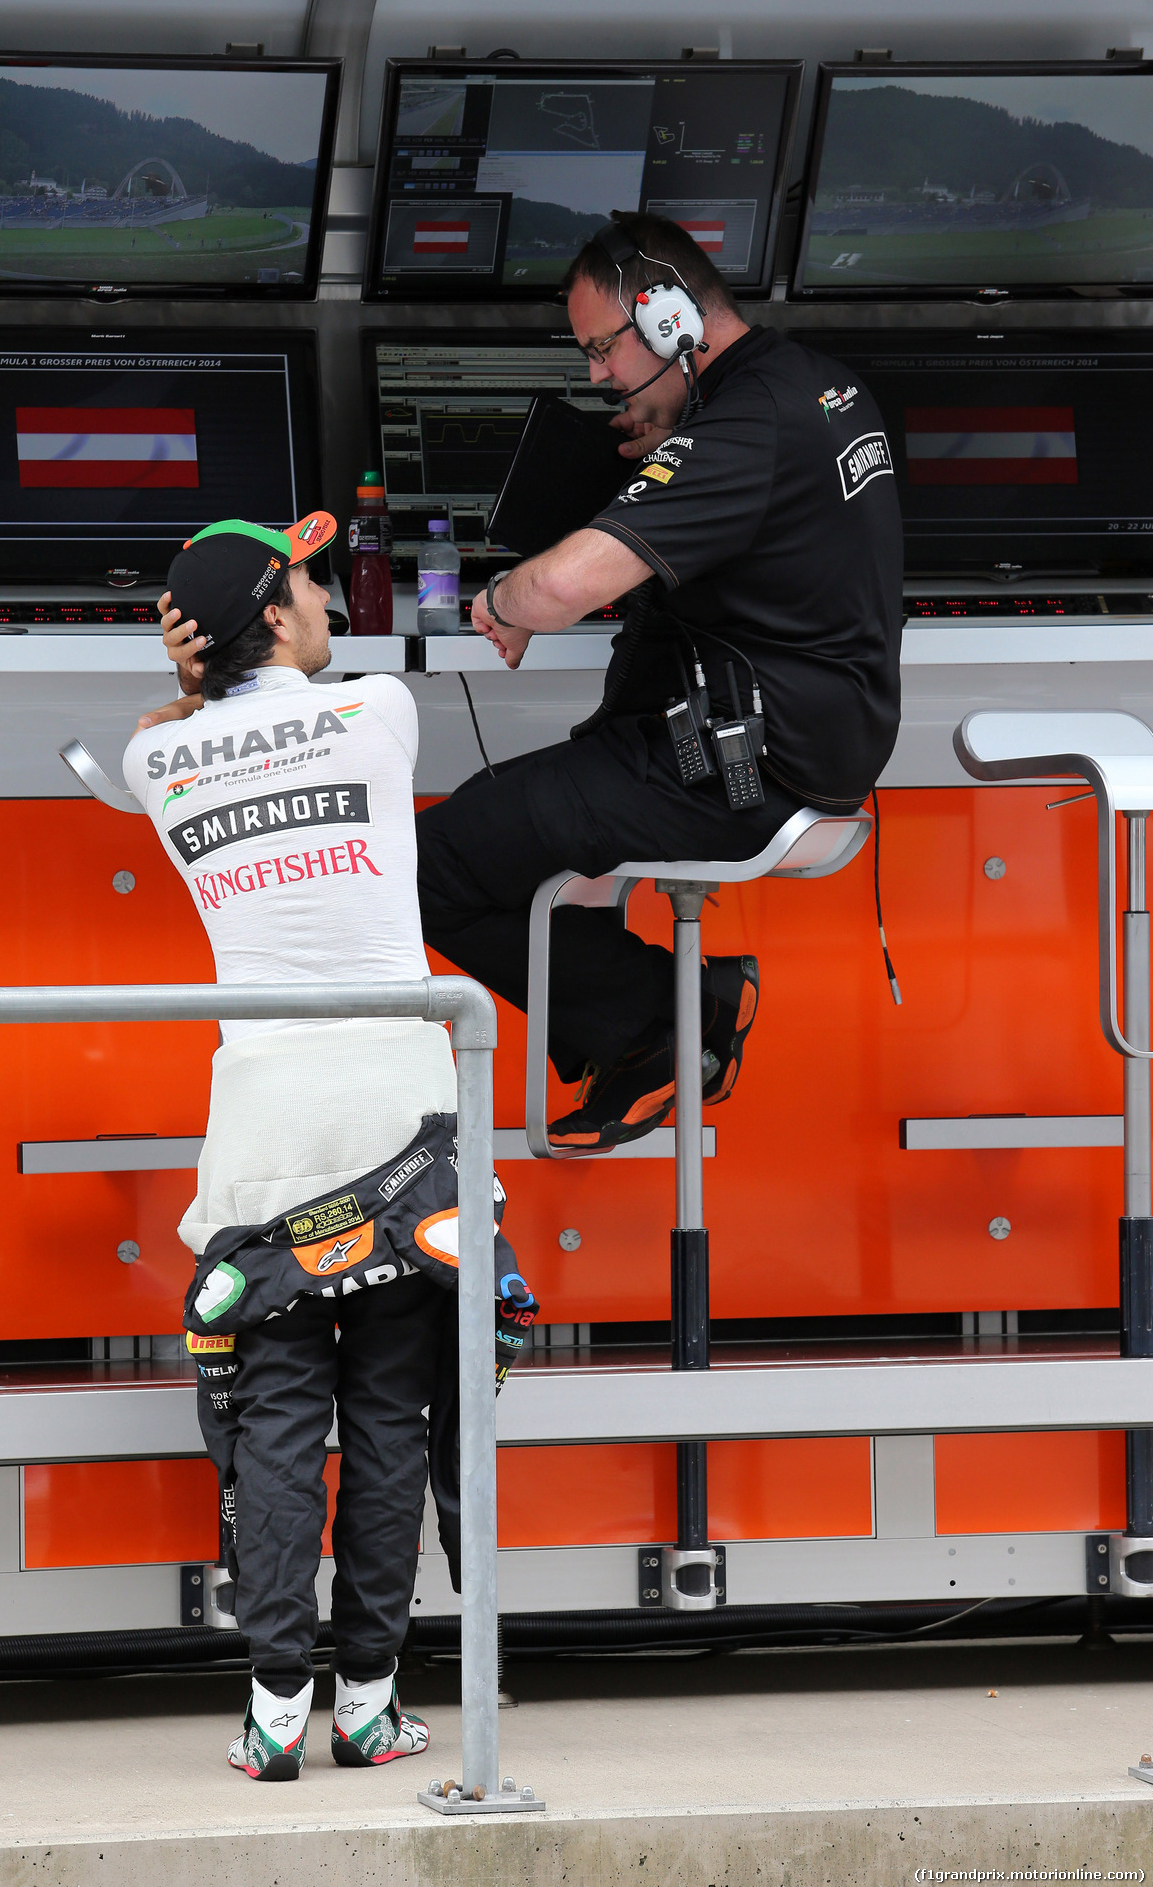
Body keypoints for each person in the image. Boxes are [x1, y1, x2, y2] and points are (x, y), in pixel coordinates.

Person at [414, 211, 904, 1149]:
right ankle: (651, 1029)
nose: (599, 376)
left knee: (429, 866)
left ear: (671, 313)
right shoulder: (819, 386)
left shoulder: (745, 426)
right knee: (514, 835)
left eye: (604, 347)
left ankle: (671, 1020)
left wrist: (506, 601)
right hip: (801, 749)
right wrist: (670, 448)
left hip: (739, 774)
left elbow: (560, 587)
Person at [122, 514, 472, 1782]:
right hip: (399, 1118)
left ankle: (273, 1713)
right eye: (310, 580)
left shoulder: (155, 762)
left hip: (263, 1129)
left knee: (275, 1419)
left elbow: (173, 738)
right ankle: (369, 1703)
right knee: (389, 1412)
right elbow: (303, 704)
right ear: (274, 617)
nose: (328, 595)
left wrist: (188, 687)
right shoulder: (376, 710)